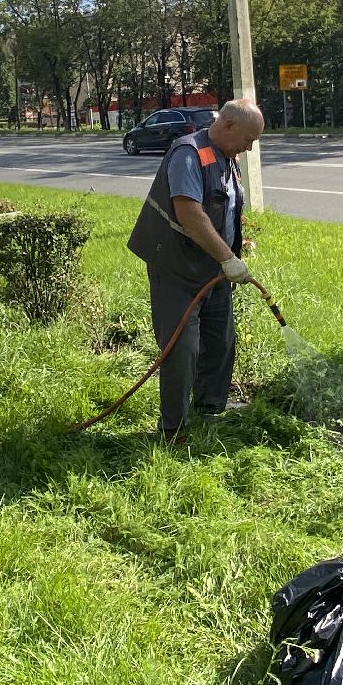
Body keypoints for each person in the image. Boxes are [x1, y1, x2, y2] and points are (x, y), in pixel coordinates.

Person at [126, 98, 265, 440]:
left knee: (221, 341)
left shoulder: (226, 156)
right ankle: (173, 428)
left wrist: (234, 244)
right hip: (178, 269)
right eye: (248, 139)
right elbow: (189, 214)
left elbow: (222, 205)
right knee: (181, 348)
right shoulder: (188, 153)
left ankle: (210, 407)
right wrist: (228, 257)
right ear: (229, 125)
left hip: (213, 268)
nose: (249, 148)